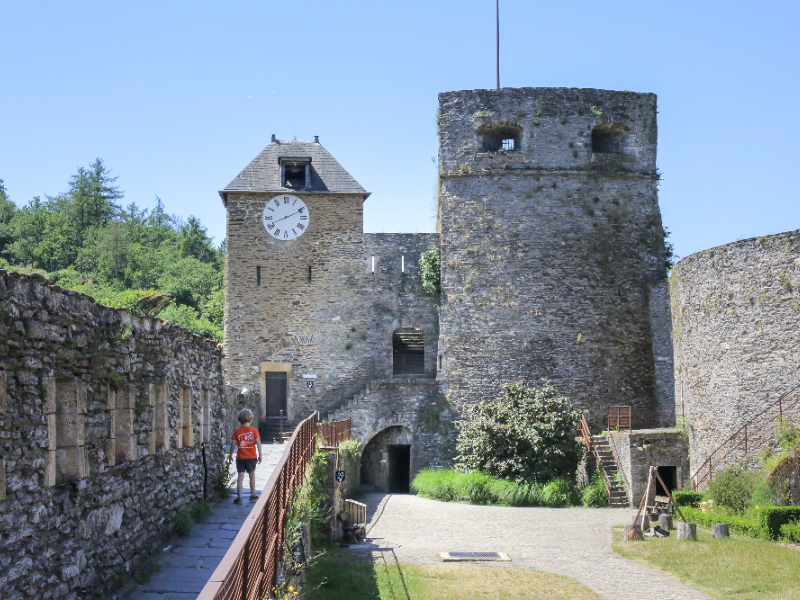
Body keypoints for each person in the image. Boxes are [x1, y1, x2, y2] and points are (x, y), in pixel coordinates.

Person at [229, 408, 262, 504]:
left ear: (239, 419)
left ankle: (239, 497)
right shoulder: (254, 431)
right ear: (251, 419)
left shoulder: (237, 431)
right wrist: (260, 454)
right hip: (251, 457)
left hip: (240, 457)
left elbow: (233, 444)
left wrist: (230, 455)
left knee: (240, 476)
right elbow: (258, 443)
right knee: (252, 475)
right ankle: (252, 495)